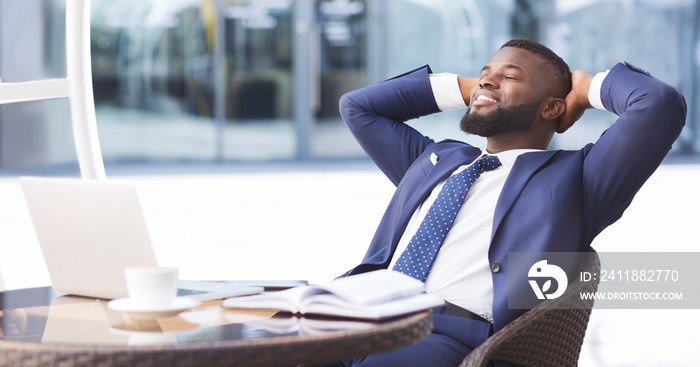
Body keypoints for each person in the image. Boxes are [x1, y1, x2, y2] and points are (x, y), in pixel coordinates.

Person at [329, 39, 687, 367]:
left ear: (551, 107)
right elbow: (359, 106)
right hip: (363, 315)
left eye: (510, 76)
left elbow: (658, 104)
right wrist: (476, 88)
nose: (488, 80)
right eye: (486, 73)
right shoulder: (434, 160)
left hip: (449, 335)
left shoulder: (577, 180)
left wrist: (584, 87)